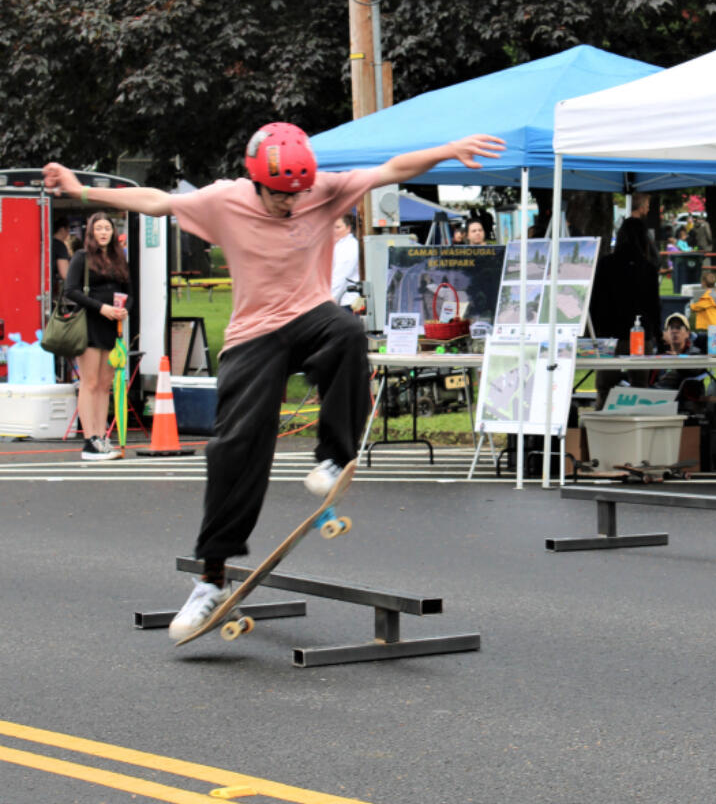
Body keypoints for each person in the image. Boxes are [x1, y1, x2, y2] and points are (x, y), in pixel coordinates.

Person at [44, 123, 503, 640]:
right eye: (279, 196)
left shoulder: (322, 189)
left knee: (347, 332)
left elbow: (393, 169)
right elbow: (152, 201)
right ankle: (211, 577)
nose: (290, 205)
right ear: (257, 182)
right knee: (235, 448)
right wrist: (80, 190)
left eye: (296, 195)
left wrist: (449, 150)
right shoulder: (225, 200)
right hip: (252, 334)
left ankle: (333, 457)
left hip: (308, 317)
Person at [63, 212, 129, 461]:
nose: (103, 232)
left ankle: (101, 436)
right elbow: (71, 290)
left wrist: (124, 309)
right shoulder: (82, 257)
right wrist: (101, 308)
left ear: (113, 232)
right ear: (91, 232)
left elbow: (128, 290)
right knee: (89, 383)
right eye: (99, 228)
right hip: (89, 324)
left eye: (107, 228)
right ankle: (89, 439)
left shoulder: (118, 257)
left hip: (112, 327)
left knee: (104, 384)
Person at [589, 192, 661, 405]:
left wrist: (596, 333)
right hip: (640, 335)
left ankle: (602, 422)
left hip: (609, 336)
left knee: (605, 385)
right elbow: (653, 305)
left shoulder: (605, 264)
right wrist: (656, 332)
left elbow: (595, 302)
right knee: (640, 385)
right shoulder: (647, 268)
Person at [330, 213, 360, 305]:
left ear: (348, 228)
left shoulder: (350, 246)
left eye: (338, 227)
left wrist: (329, 300)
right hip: (340, 299)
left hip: (348, 300)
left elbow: (340, 276)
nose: (334, 231)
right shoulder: (339, 245)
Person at [688, 270, 716, 337]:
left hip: (711, 327)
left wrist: (688, 306)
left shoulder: (708, 297)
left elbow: (697, 307)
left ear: (704, 282)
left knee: (709, 344)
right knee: (715, 344)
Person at [51, 217, 73, 285]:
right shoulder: (60, 246)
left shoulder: (48, 243)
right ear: (62, 229)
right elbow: (65, 274)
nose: (68, 234)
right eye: (68, 231)